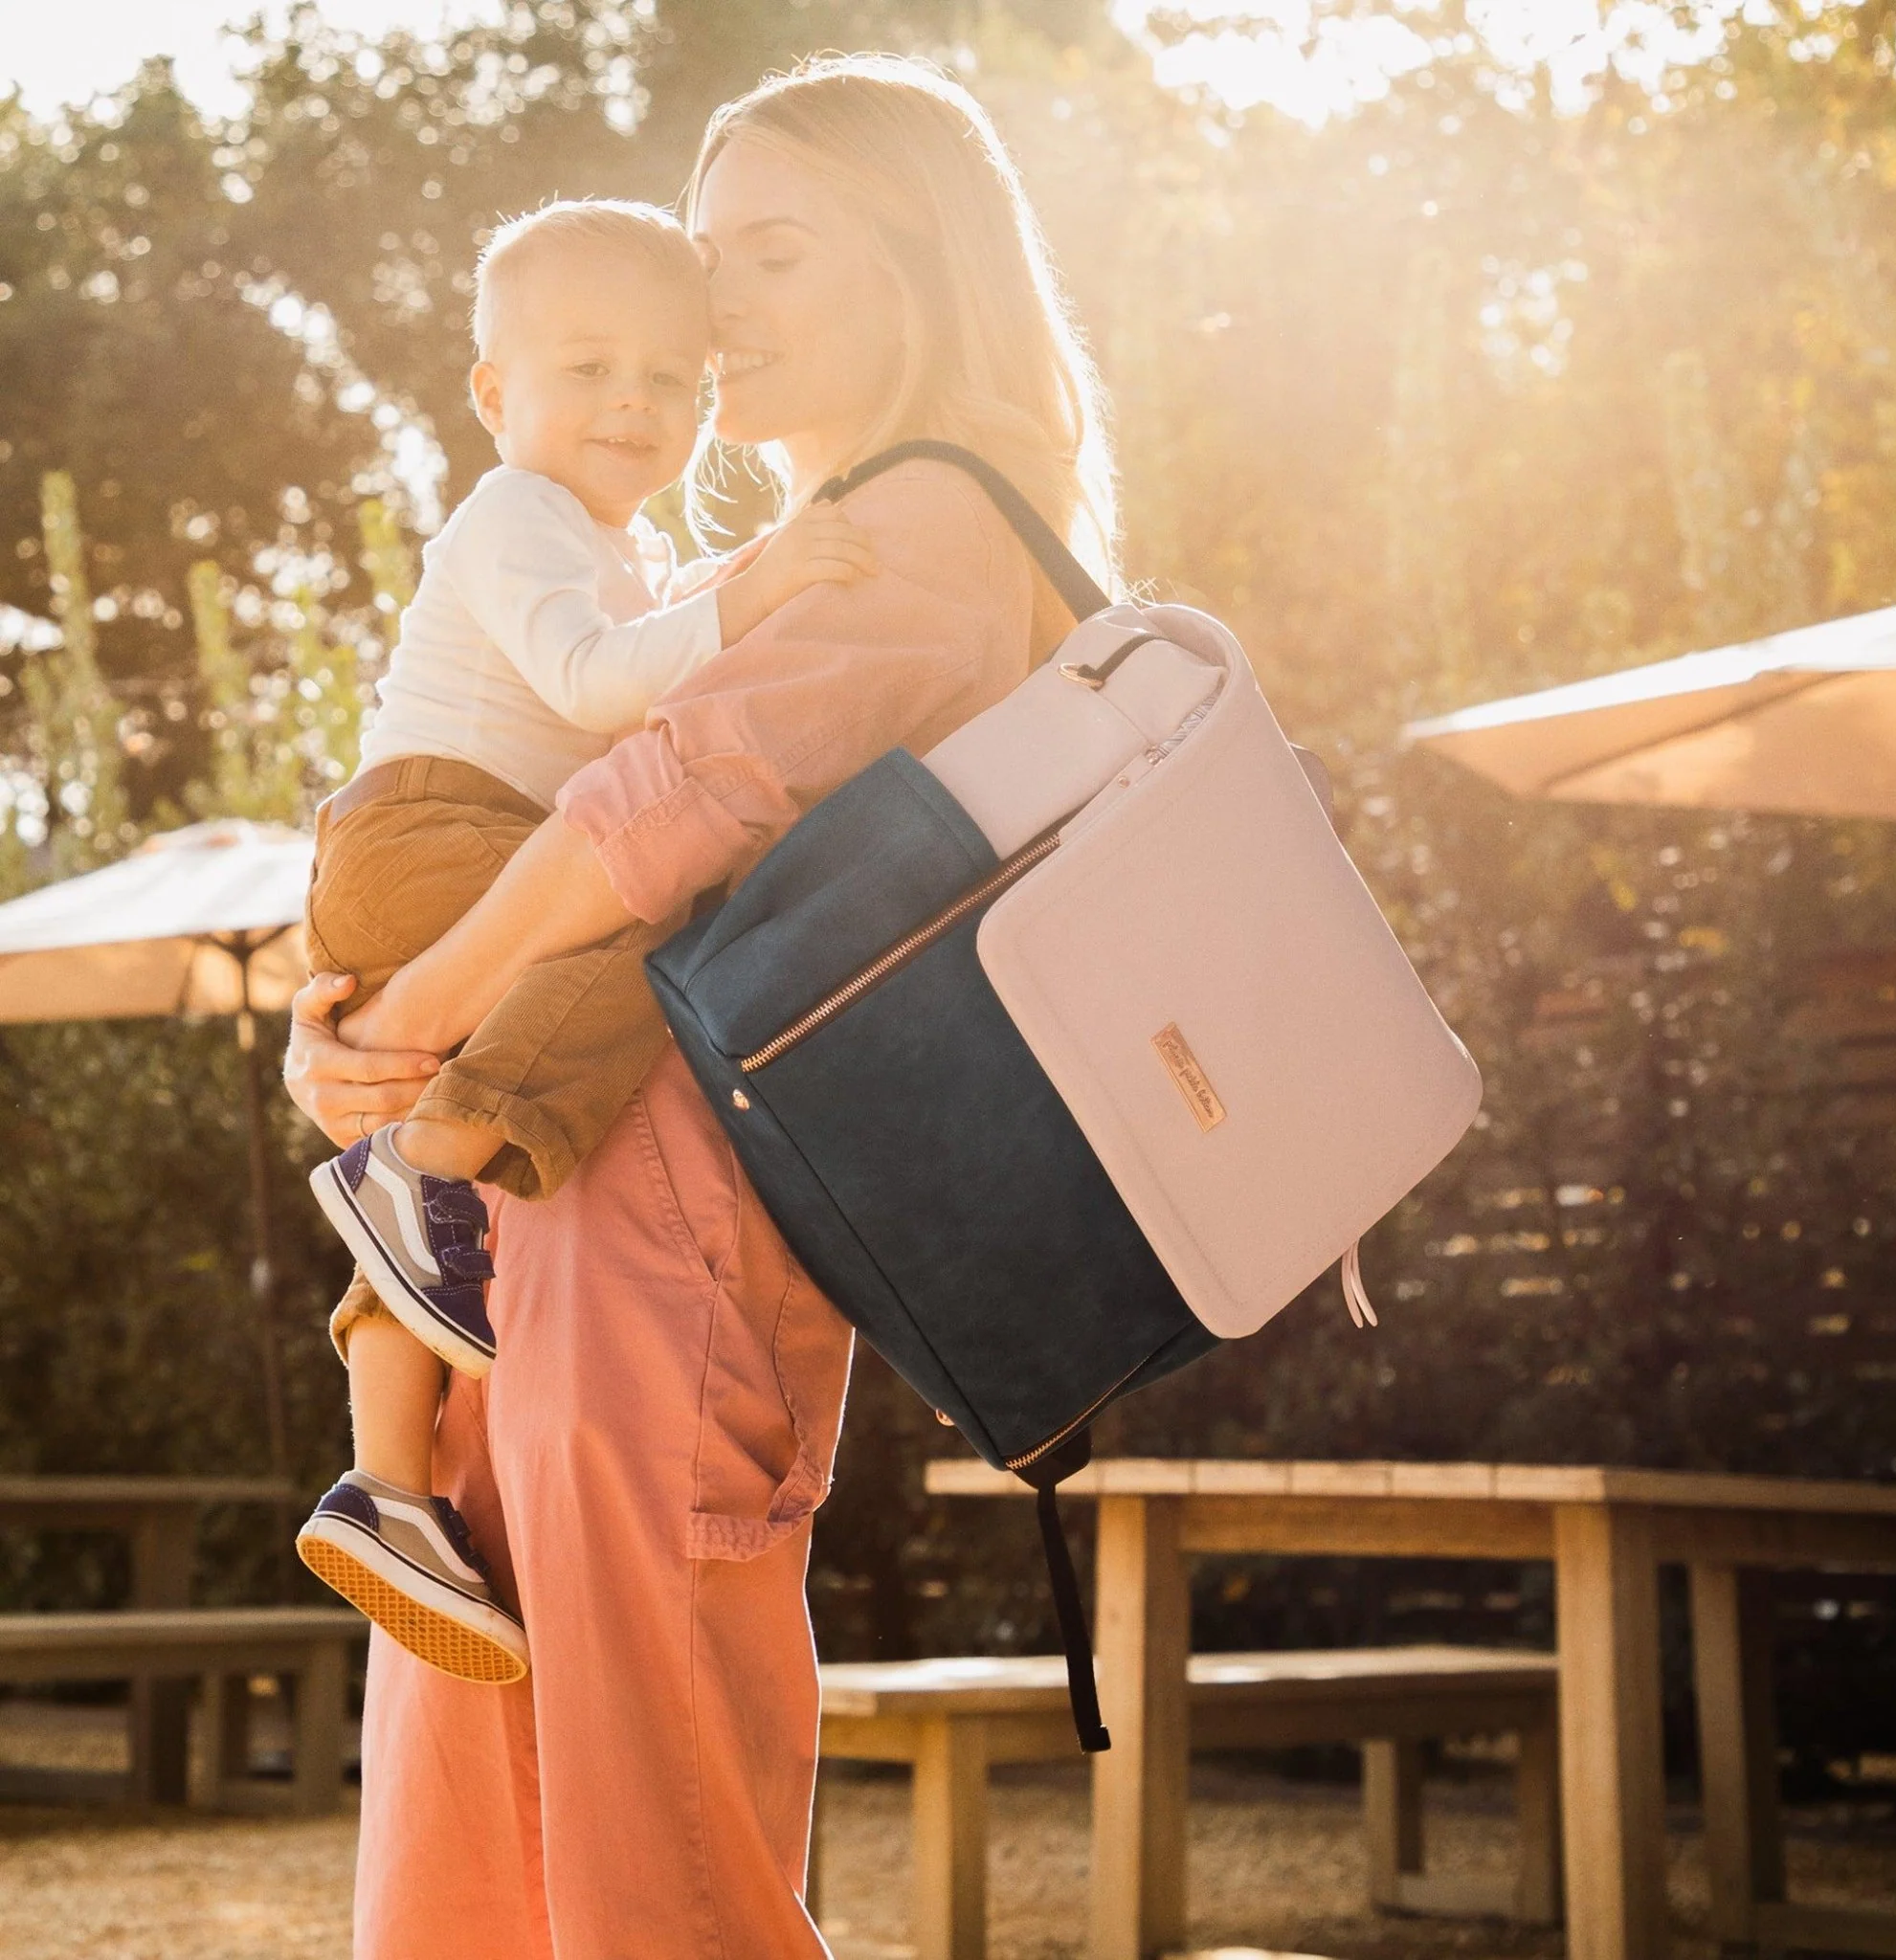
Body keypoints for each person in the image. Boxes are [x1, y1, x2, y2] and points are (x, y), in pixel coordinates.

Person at [284, 53, 1114, 1957]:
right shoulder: (739, 561)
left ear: (919, 269)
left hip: (664, 1225)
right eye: (704, 252)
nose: (713, 305)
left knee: (648, 1806)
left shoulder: (933, 528)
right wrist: (371, 1028)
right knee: (491, 1751)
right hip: (549, 1193)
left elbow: (647, 814)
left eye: (775, 253)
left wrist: (404, 1018)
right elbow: (513, 813)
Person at [294, 196, 873, 1686]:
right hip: (425, 832)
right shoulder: (516, 517)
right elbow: (596, 678)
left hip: (437, 848)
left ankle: (388, 1490)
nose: (634, 403)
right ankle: (421, 1173)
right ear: (495, 397)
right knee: (642, 914)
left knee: (432, 1154)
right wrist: (768, 582)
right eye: (590, 369)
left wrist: (727, 587)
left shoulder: (626, 536)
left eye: (671, 380)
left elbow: (659, 636)